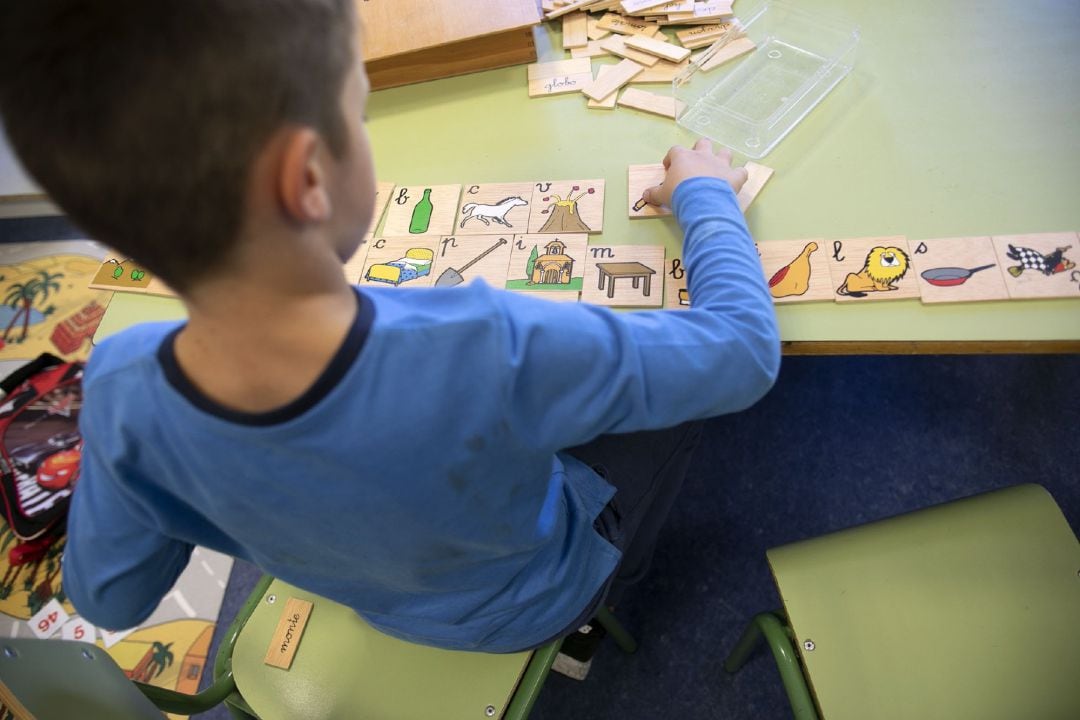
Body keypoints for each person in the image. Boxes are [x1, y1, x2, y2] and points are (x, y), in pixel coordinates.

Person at [0, 0, 779, 680]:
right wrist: (705, 195)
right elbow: (743, 354)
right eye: (359, 112)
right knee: (685, 406)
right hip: (537, 593)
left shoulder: (120, 386)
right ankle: (598, 606)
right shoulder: (486, 344)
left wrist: (182, 485)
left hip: (389, 602)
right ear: (308, 178)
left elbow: (110, 596)